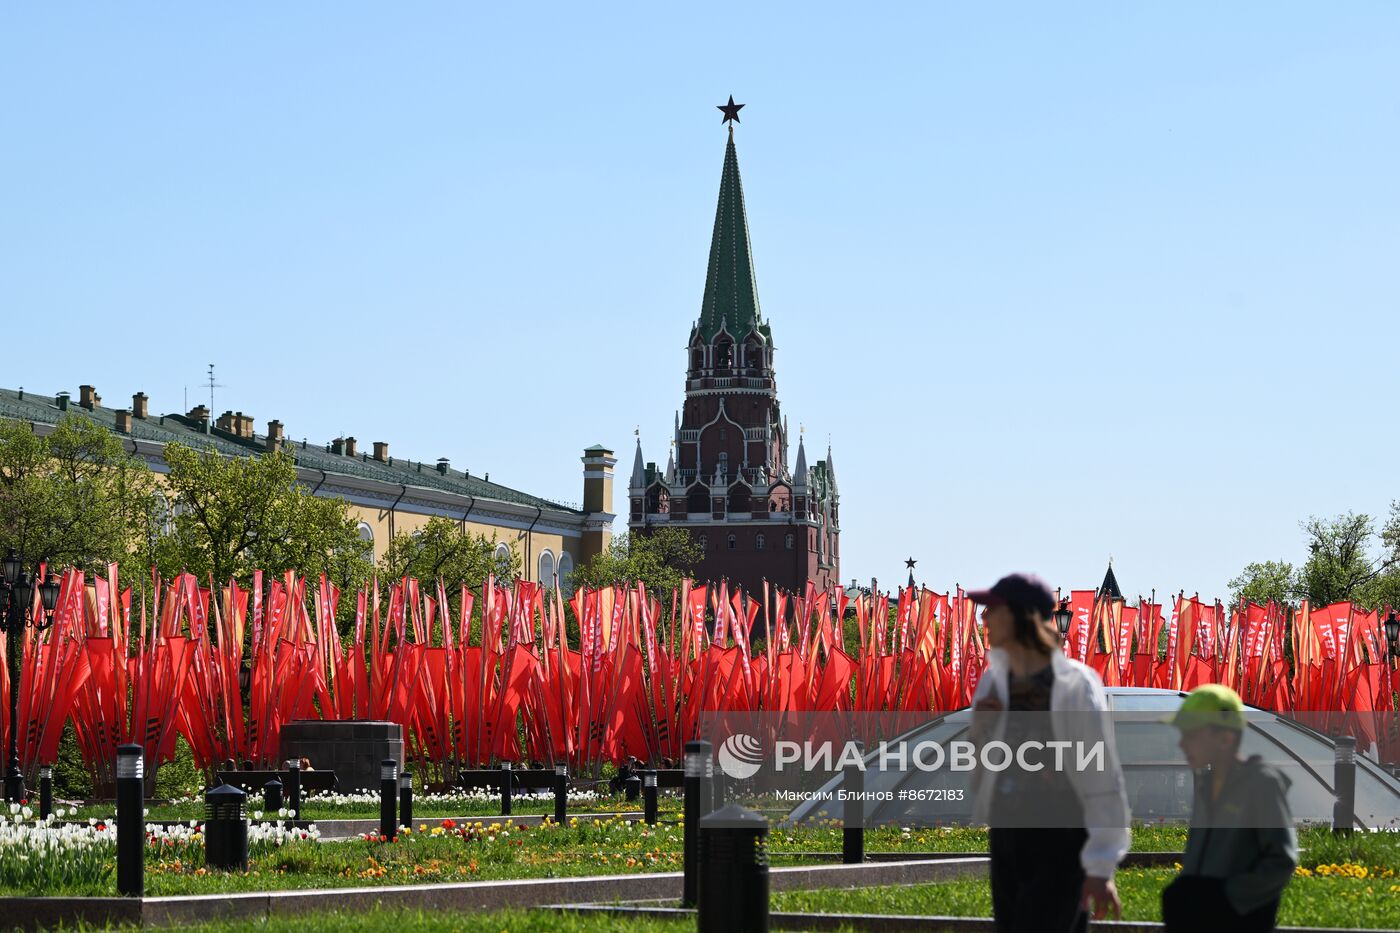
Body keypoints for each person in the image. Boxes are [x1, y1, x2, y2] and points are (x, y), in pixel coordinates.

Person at [968, 573, 1131, 933]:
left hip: (1061, 838)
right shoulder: (993, 681)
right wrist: (979, 732)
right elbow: (981, 770)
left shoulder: (1075, 684)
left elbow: (1101, 776)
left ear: (1018, 616)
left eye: (992, 610)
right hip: (1008, 834)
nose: (983, 619)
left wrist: (1101, 866)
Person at [1161, 685, 1297, 933]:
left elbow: (1282, 860)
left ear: (1225, 738)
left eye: (1191, 735)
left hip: (1239, 921)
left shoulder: (1262, 783)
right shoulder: (1205, 786)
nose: (1181, 744)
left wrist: (1228, 897)